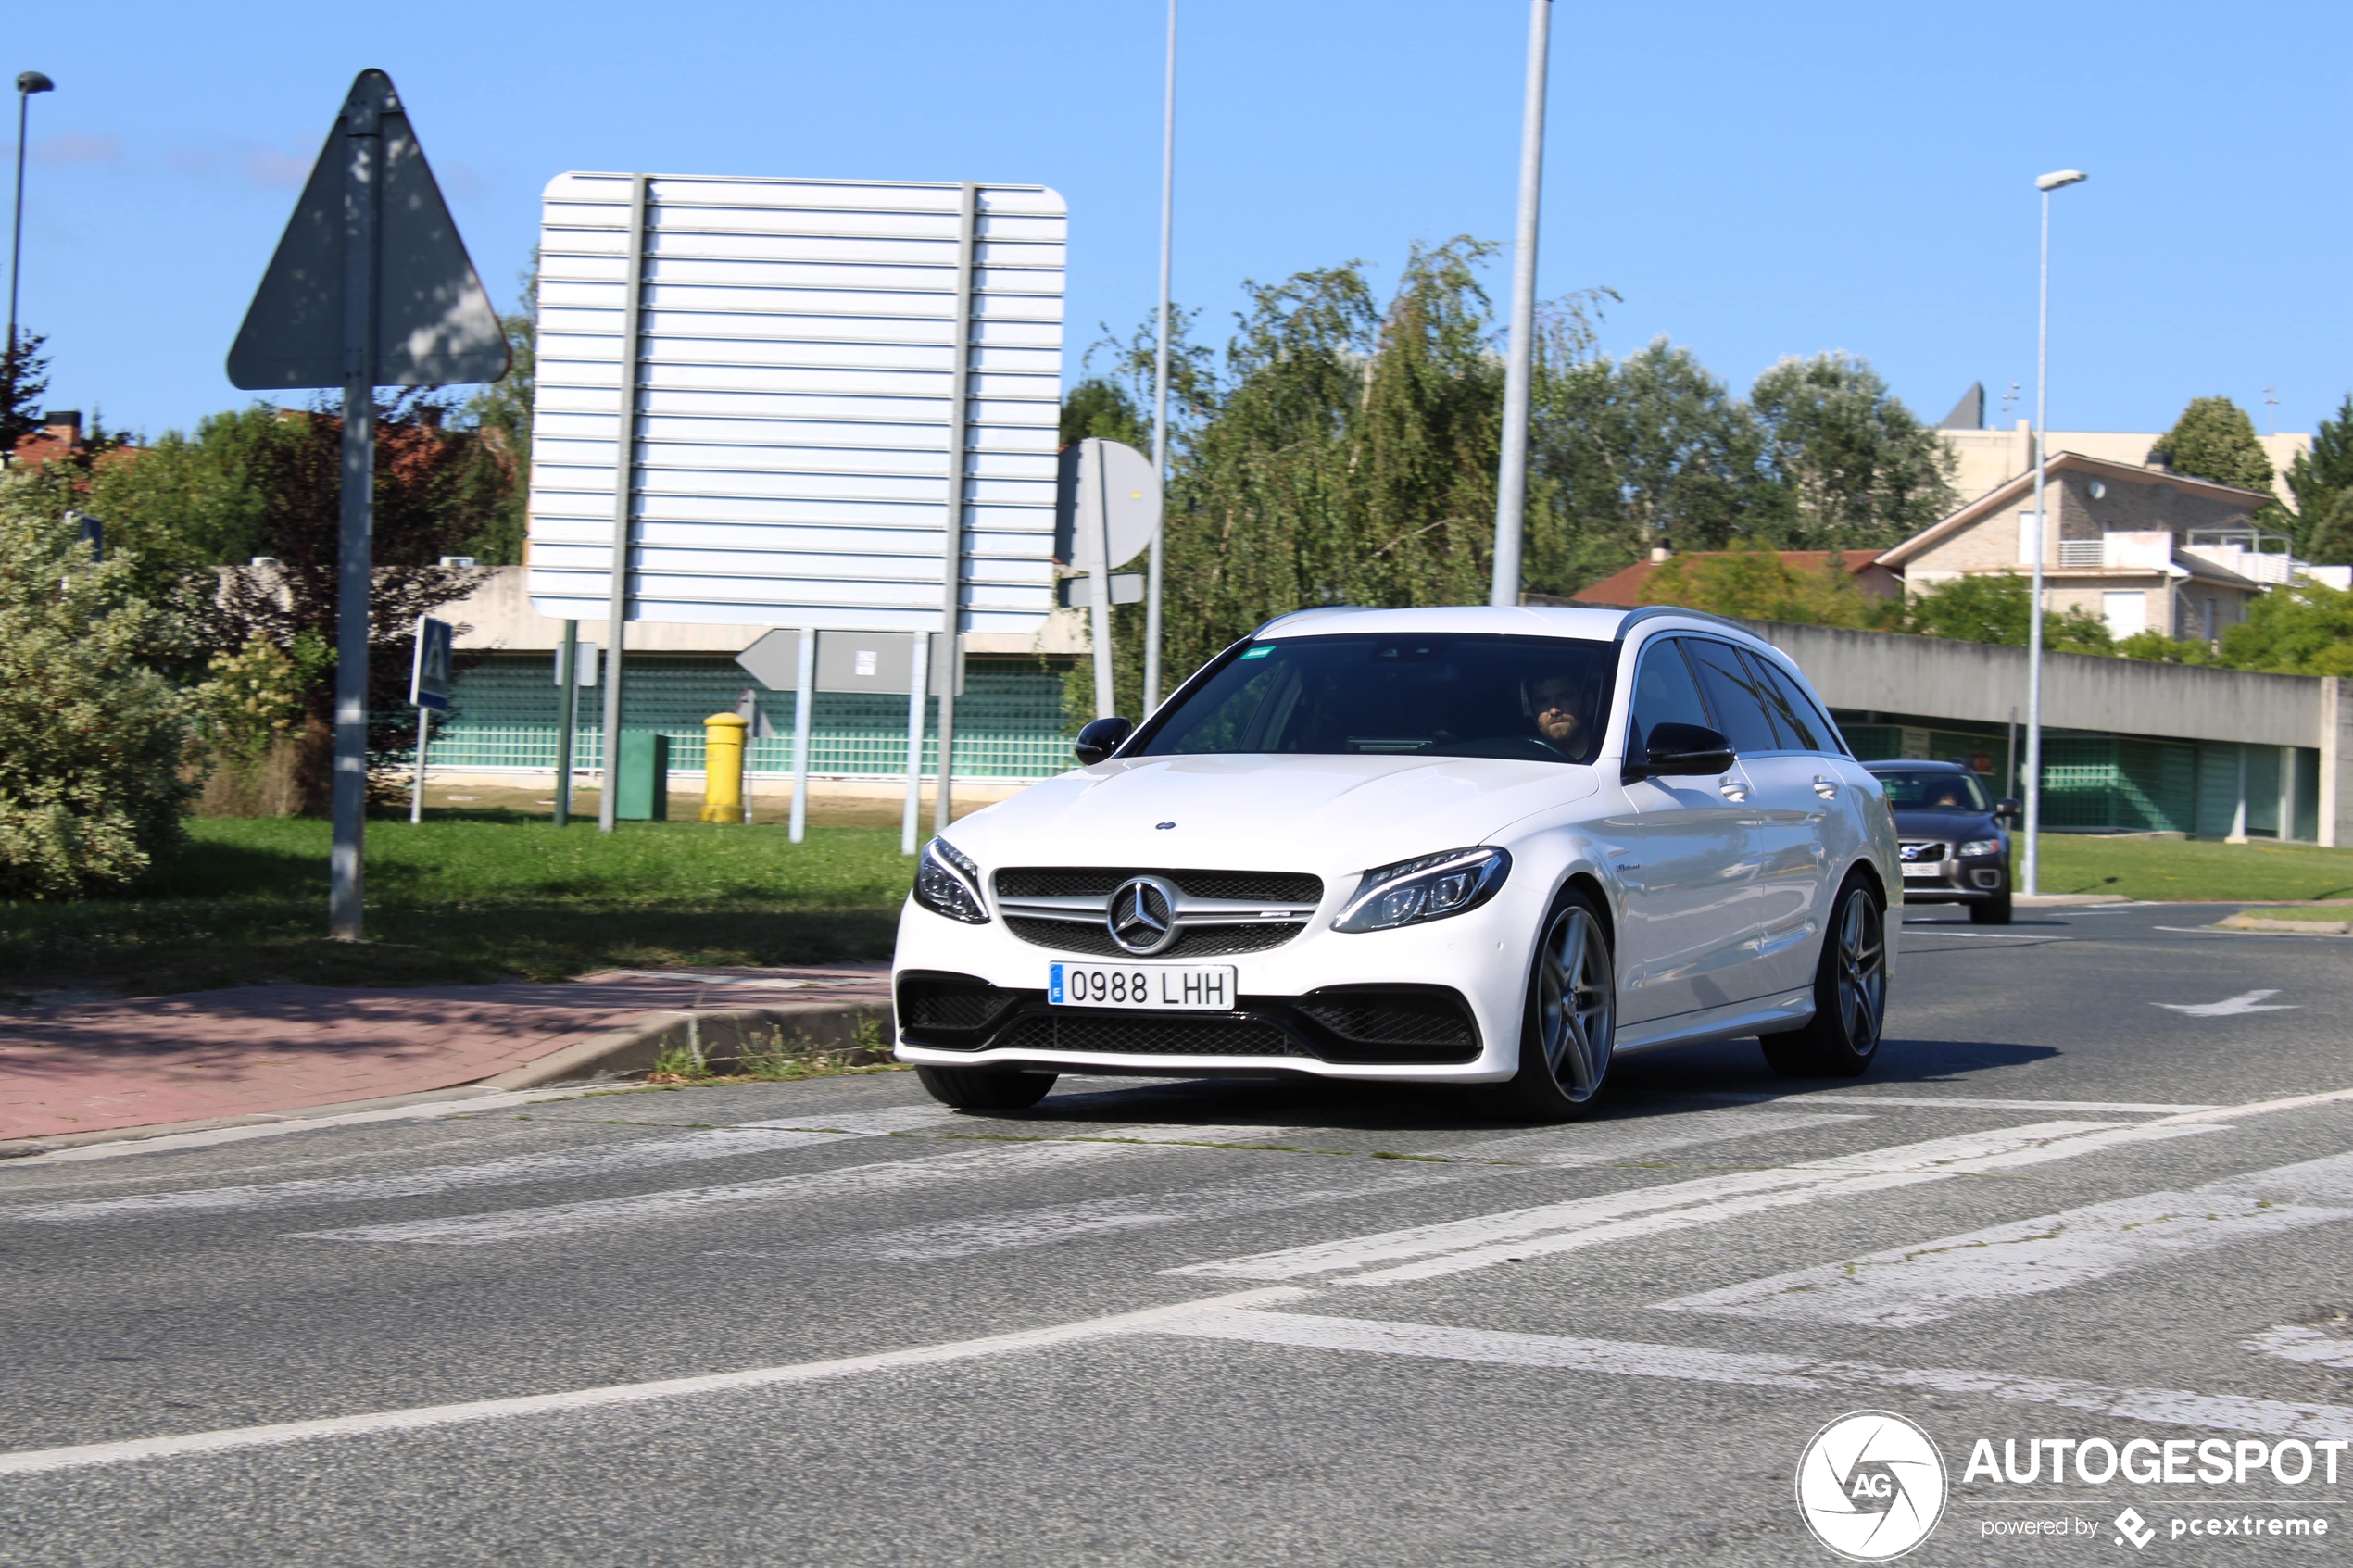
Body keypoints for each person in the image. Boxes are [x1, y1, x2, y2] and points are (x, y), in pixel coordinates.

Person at [1530, 672, 1592, 759]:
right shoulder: (1525, 765)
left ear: (1588, 704)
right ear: (1534, 716)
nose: (1554, 711)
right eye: (1543, 701)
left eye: (1564, 697)